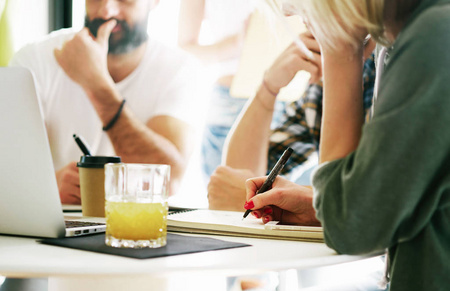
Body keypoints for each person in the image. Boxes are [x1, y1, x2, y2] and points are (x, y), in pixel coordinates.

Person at [245, 0, 450, 291]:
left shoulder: (434, 40)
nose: (290, 13)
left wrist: (340, 51)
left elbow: (353, 229)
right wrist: (321, 208)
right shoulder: (405, 40)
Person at [10, 0, 198, 204]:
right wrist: (47, 187)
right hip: (57, 223)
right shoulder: (34, 60)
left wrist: (97, 84)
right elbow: (11, 167)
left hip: (138, 228)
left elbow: (167, 181)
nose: (107, 10)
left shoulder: (181, 70)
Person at [207, 31, 376, 212]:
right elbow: (235, 180)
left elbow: (379, 199)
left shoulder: (397, 61)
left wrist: (278, 201)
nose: (288, 11)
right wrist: (268, 87)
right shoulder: (320, 88)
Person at [178, 0, 286, 184]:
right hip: (232, 100)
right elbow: (184, 51)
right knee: (228, 194)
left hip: (290, 98)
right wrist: (239, 43)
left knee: (285, 201)